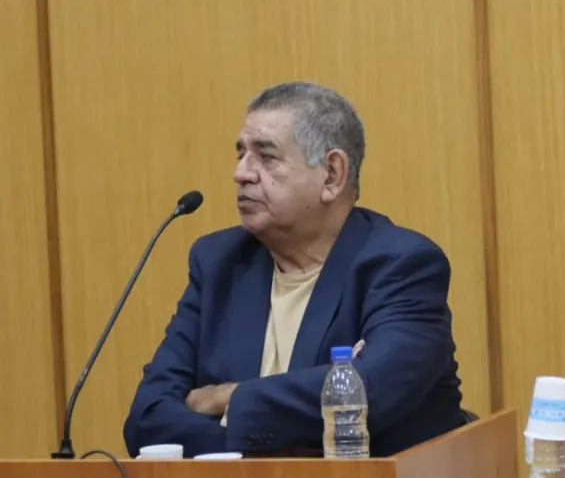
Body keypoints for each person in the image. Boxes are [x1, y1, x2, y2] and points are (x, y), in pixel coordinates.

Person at [124, 81, 465, 458]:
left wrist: (223, 399)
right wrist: (289, 434)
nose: (241, 173)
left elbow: (368, 395)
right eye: (240, 155)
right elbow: (147, 420)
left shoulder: (400, 265)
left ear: (332, 175)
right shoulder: (218, 263)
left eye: (266, 157)